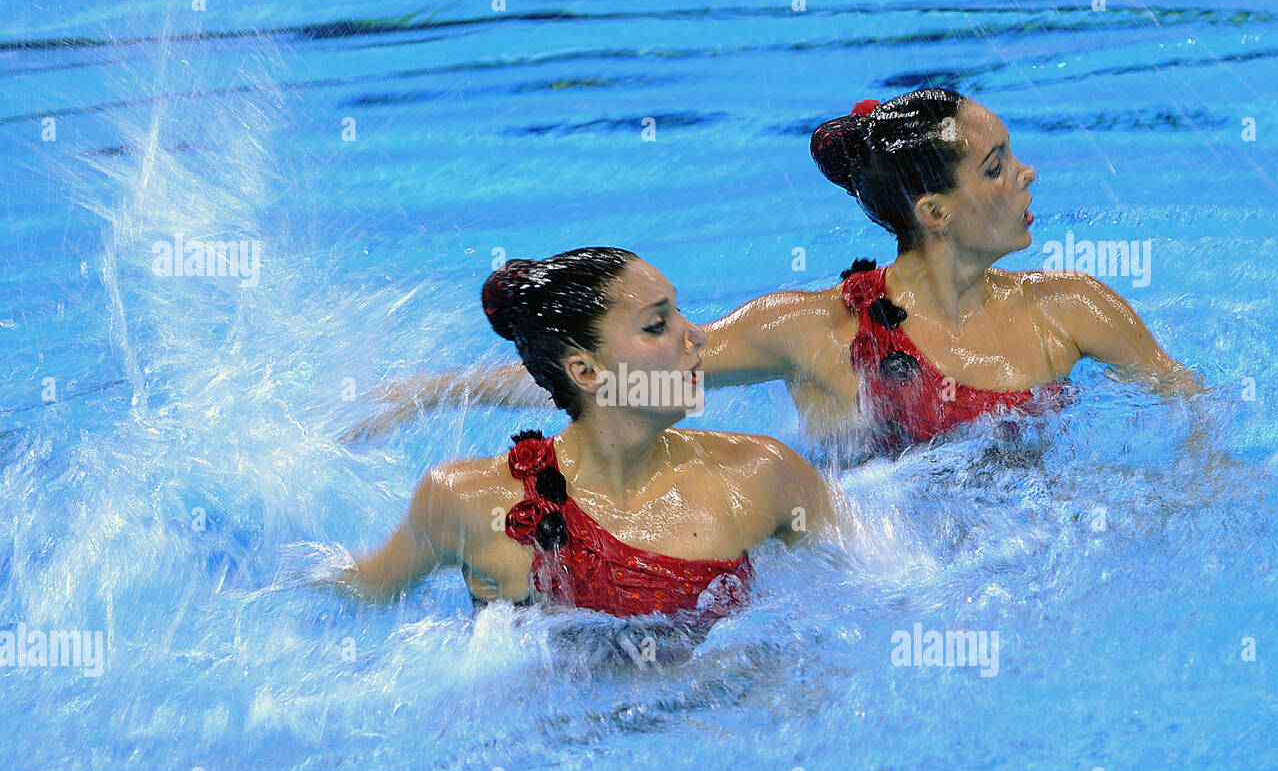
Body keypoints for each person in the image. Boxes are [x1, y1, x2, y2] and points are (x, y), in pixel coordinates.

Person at [342, 89, 1202, 454]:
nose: (1028, 176)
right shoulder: (814, 330)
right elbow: (626, 382)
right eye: (996, 165)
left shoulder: (1075, 308)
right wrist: (434, 391)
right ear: (934, 213)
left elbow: (1191, 405)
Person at [334, 247, 833, 620]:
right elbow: (367, 589)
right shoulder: (467, 502)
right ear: (586, 371)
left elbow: (869, 595)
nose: (696, 333)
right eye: (658, 324)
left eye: (679, 311)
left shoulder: (762, 476)